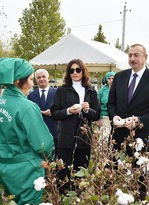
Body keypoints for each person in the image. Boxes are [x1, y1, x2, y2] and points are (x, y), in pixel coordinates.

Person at [0, 58, 55, 205]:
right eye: (30, 79)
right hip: (26, 171)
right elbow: (43, 143)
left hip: (3, 167)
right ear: (18, 81)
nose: (32, 83)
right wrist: (49, 157)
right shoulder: (27, 107)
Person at [107, 44, 149, 199]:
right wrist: (113, 116)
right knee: (109, 174)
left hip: (141, 136)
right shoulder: (120, 77)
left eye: (136, 55)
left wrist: (139, 120)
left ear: (145, 57)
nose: (132, 59)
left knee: (140, 178)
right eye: (130, 55)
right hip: (117, 135)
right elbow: (111, 103)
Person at [50, 59, 100, 194]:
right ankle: (62, 197)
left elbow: (97, 115)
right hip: (66, 136)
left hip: (84, 138)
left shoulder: (91, 91)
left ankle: (79, 197)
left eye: (78, 70)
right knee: (63, 170)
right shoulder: (61, 90)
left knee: (81, 170)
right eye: (71, 70)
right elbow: (54, 113)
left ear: (83, 71)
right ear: (68, 73)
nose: (75, 73)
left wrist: (88, 110)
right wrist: (68, 111)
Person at [28, 69, 59, 158]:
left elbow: (62, 108)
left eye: (43, 77)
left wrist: (53, 112)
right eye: (38, 77)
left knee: (56, 157)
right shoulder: (31, 95)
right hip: (39, 131)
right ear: (36, 80)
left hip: (55, 130)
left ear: (48, 78)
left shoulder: (57, 93)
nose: (41, 79)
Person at [97, 71, 116, 138]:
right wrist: (99, 118)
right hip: (105, 116)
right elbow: (97, 105)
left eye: (113, 78)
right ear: (106, 80)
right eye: (109, 78)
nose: (111, 80)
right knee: (104, 137)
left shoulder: (119, 89)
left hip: (116, 117)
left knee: (114, 139)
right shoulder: (102, 91)